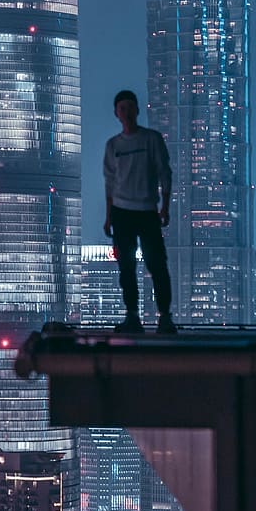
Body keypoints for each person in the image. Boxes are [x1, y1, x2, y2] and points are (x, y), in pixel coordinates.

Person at [103, 89, 177, 334]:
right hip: (122, 212)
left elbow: (164, 173)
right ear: (116, 113)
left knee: (157, 264)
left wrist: (164, 205)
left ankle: (165, 316)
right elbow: (110, 182)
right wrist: (109, 216)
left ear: (137, 109)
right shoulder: (113, 145)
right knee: (126, 267)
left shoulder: (151, 139)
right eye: (121, 108)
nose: (126, 112)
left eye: (129, 107)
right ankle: (132, 316)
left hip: (147, 210)